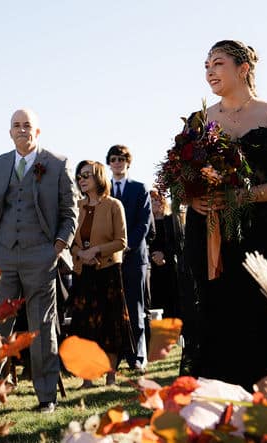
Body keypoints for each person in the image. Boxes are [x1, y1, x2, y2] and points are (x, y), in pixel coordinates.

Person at [183, 40, 267, 387]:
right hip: (214, 239)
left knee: (265, 320)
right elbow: (181, 180)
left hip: (265, 239)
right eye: (206, 64)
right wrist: (193, 200)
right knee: (218, 321)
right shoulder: (199, 121)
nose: (209, 71)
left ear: (243, 69)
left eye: (218, 63)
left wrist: (246, 195)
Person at [0, 108, 77, 413]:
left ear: (37, 132)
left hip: (41, 254)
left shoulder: (58, 164)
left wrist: (58, 247)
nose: (22, 130)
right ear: (10, 132)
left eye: (27, 126)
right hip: (2, 253)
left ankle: (46, 397)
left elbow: (70, 212)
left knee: (42, 326)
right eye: (16, 126)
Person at [67, 160, 131, 387]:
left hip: (108, 272)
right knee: (85, 324)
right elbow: (70, 242)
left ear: (99, 178)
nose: (81, 180)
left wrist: (96, 251)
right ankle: (87, 378)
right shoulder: (76, 207)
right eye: (79, 176)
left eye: (86, 175)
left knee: (109, 324)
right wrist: (80, 253)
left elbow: (121, 241)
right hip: (84, 273)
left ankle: (111, 375)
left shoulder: (114, 205)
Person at [106, 144, 153, 370]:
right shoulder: (104, 190)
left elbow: (144, 223)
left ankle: (138, 357)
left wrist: (125, 245)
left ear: (128, 162)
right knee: (114, 308)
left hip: (134, 256)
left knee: (135, 308)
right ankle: (117, 357)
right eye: (113, 159)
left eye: (121, 159)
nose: (117, 163)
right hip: (109, 258)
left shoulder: (139, 188)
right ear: (109, 163)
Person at [147, 189, 179, 321]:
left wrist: (164, 255)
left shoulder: (171, 220)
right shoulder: (146, 223)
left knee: (171, 305)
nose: (155, 202)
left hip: (169, 269)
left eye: (158, 199)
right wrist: (153, 257)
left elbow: (178, 242)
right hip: (151, 269)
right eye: (152, 200)